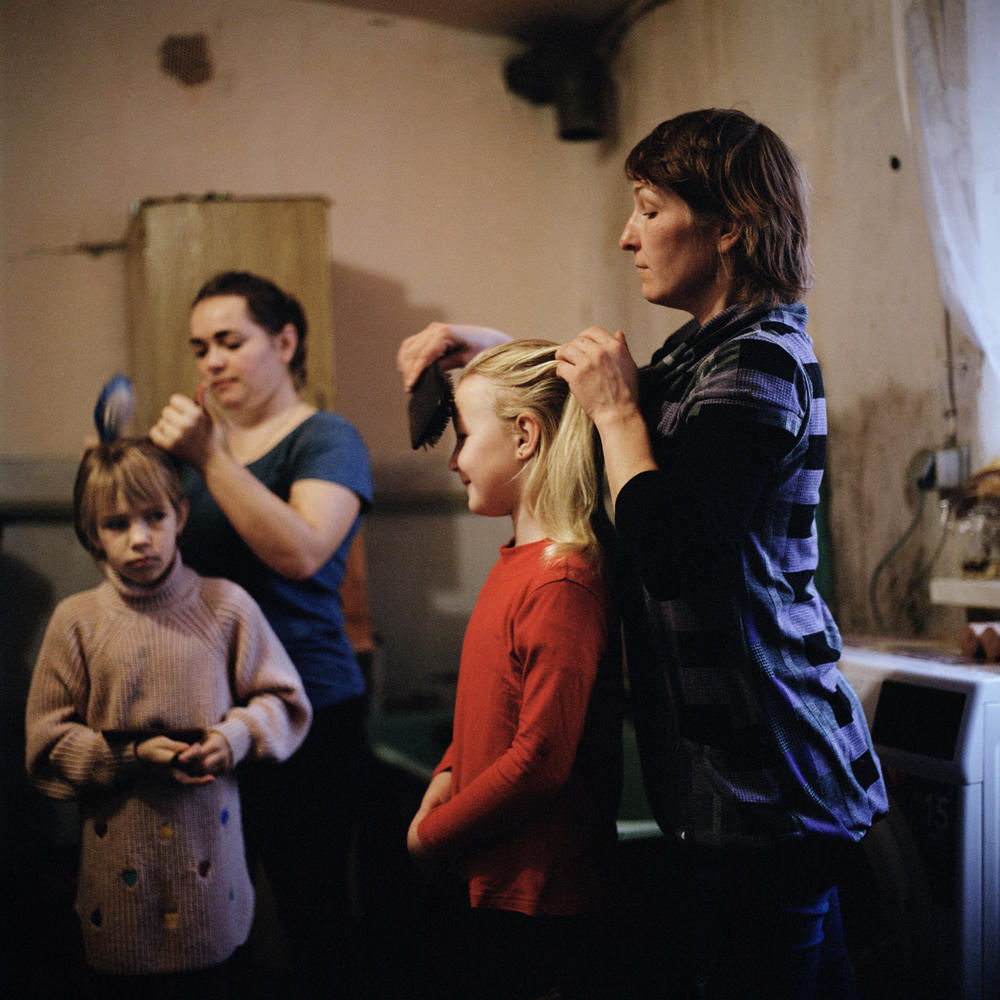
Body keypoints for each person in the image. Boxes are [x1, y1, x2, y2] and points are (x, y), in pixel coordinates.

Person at [398, 108, 888, 999]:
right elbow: (589, 409)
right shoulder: (703, 355)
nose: (629, 236)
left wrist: (620, 413)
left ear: (728, 225)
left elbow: (669, 545)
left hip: (771, 783)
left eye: (650, 209)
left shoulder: (761, 364)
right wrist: (489, 354)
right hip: (735, 786)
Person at [149, 271, 374, 998]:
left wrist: (210, 458)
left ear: (284, 341)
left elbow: (304, 550)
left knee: (311, 911)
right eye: (199, 348)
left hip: (309, 707)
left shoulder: (326, 436)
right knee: (214, 913)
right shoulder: (192, 453)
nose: (211, 361)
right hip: (206, 712)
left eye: (229, 341)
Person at [24, 439, 312, 1000]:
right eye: (116, 523)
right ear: (91, 534)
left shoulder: (224, 605)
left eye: (154, 516)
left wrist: (230, 739)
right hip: (119, 886)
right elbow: (46, 742)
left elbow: (285, 701)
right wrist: (128, 758)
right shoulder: (76, 622)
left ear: (180, 515)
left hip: (211, 879)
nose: (140, 537)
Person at [406, 340, 624, 1000]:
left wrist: (431, 838)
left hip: (542, 896)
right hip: (499, 879)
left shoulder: (563, 579)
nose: (453, 459)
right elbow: (491, 708)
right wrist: (448, 771)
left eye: (466, 436)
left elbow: (538, 762)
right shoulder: (517, 563)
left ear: (525, 435)